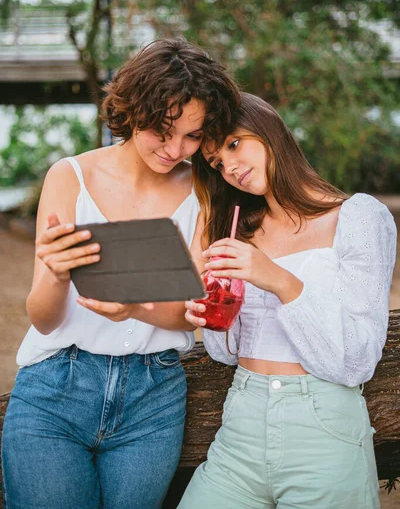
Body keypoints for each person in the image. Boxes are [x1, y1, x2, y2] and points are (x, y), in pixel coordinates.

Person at [1, 38, 240, 509]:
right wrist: (54, 273)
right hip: (55, 387)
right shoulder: (69, 177)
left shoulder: (203, 189)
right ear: (134, 111)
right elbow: (45, 319)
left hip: (154, 399)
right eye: (163, 129)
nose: (176, 149)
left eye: (192, 136)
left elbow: (188, 315)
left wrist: (135, 307)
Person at [180, 92, 397, 509]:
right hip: (240, 425)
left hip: (323, 434)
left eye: (233, 144)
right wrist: (214, 315)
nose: (231, 168)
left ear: (268, 129)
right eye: (217, 163)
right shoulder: (240, 230)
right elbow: (227, 354)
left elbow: (356, 361)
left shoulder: (357, 217)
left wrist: (278, 279)